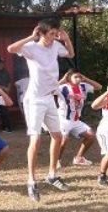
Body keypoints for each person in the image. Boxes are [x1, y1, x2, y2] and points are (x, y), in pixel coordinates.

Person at [7, 18, 74, 202]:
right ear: (42, 33)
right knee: (35, 140)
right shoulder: (32, 47)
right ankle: (31, 181)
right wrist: (31, 36)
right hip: (34, 100)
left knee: (57, 136)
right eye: (51, 34)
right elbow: (11, 49)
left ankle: (52, 175)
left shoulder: (56, 46)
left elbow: (70, 54)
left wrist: (66, 38)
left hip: (49, 97)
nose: (54, 37)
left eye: (56, 33)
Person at [57, 69, 102, 167]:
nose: (78, 79)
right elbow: (49, 90)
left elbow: (99, 87)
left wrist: (86, 79)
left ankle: (78, 158)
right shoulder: (63, 87)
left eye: (79, 77)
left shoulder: (83, 86)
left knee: (91, 135)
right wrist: (63, 80)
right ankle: (57, 159)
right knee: (64, 139)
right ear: (69, 78)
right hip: (64, 119)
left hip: (76, 120)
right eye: (75, 77)